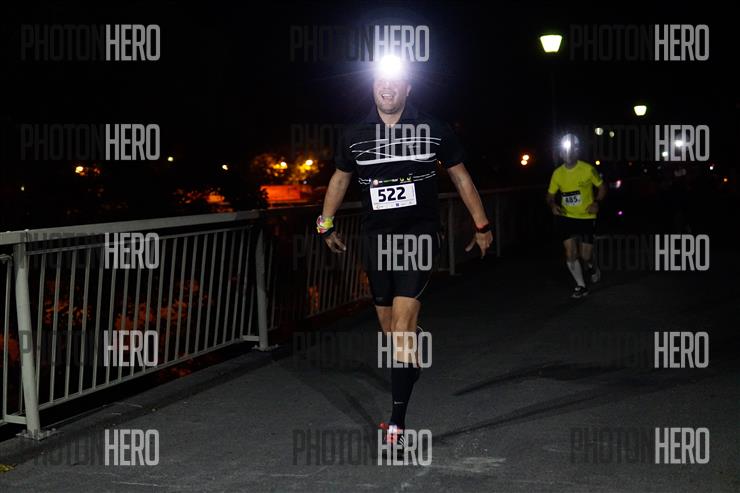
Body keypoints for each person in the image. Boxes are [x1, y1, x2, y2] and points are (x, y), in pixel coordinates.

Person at [315, 55, 492, 454]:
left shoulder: (433, 128)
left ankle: (396, 423)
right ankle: (410, 352)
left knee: (400, 326)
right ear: (373, 87)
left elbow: (461, 176)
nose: (387, 87)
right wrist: (325, 223)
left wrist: (482, 225)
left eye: (395, 82)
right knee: (389, 327)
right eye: (380, 82)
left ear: (407, 89)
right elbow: (340, 178)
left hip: (419, 235)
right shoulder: (355, 134)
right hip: (376, 239)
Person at [546, 133, 607, 298]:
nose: (567, 153)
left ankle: (592, 266)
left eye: (571, 150)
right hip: (566, 217)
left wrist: (597, 203)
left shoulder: (587, 169)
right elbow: (550, 195)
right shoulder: (557, 173)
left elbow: (602, 187)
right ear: (560, 153)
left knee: (585, 255)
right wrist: (552, 205)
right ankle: (581, 286)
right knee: (570, 253)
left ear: (577, 151)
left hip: (586, 217)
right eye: (564, 150)